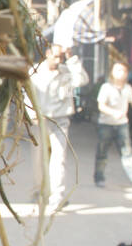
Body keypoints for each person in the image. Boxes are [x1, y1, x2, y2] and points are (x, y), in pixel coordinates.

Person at [29, 44, 89, 216]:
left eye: (61, 57)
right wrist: (30, 114)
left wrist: (72, 59)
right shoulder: (35, 72)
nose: (58, 60)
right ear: (47, 54)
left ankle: (57, 197)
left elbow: (82, 80)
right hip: (40, 119)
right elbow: (27, 94)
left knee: (59, 158)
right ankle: (40, 191)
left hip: (60, 120)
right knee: (39, 157)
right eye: (55, 56)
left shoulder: (66, 71)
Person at [94, 62, 132, 187]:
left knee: (127, 152)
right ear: (112, 72)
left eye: (124, 71)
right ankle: (99, 177)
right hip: (106, 124)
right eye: (118, 70)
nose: (121, 73)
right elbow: (101, 106)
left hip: (122, 124)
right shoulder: (106, 87)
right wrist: (113, 112)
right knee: (102, 152)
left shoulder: (128, 88)